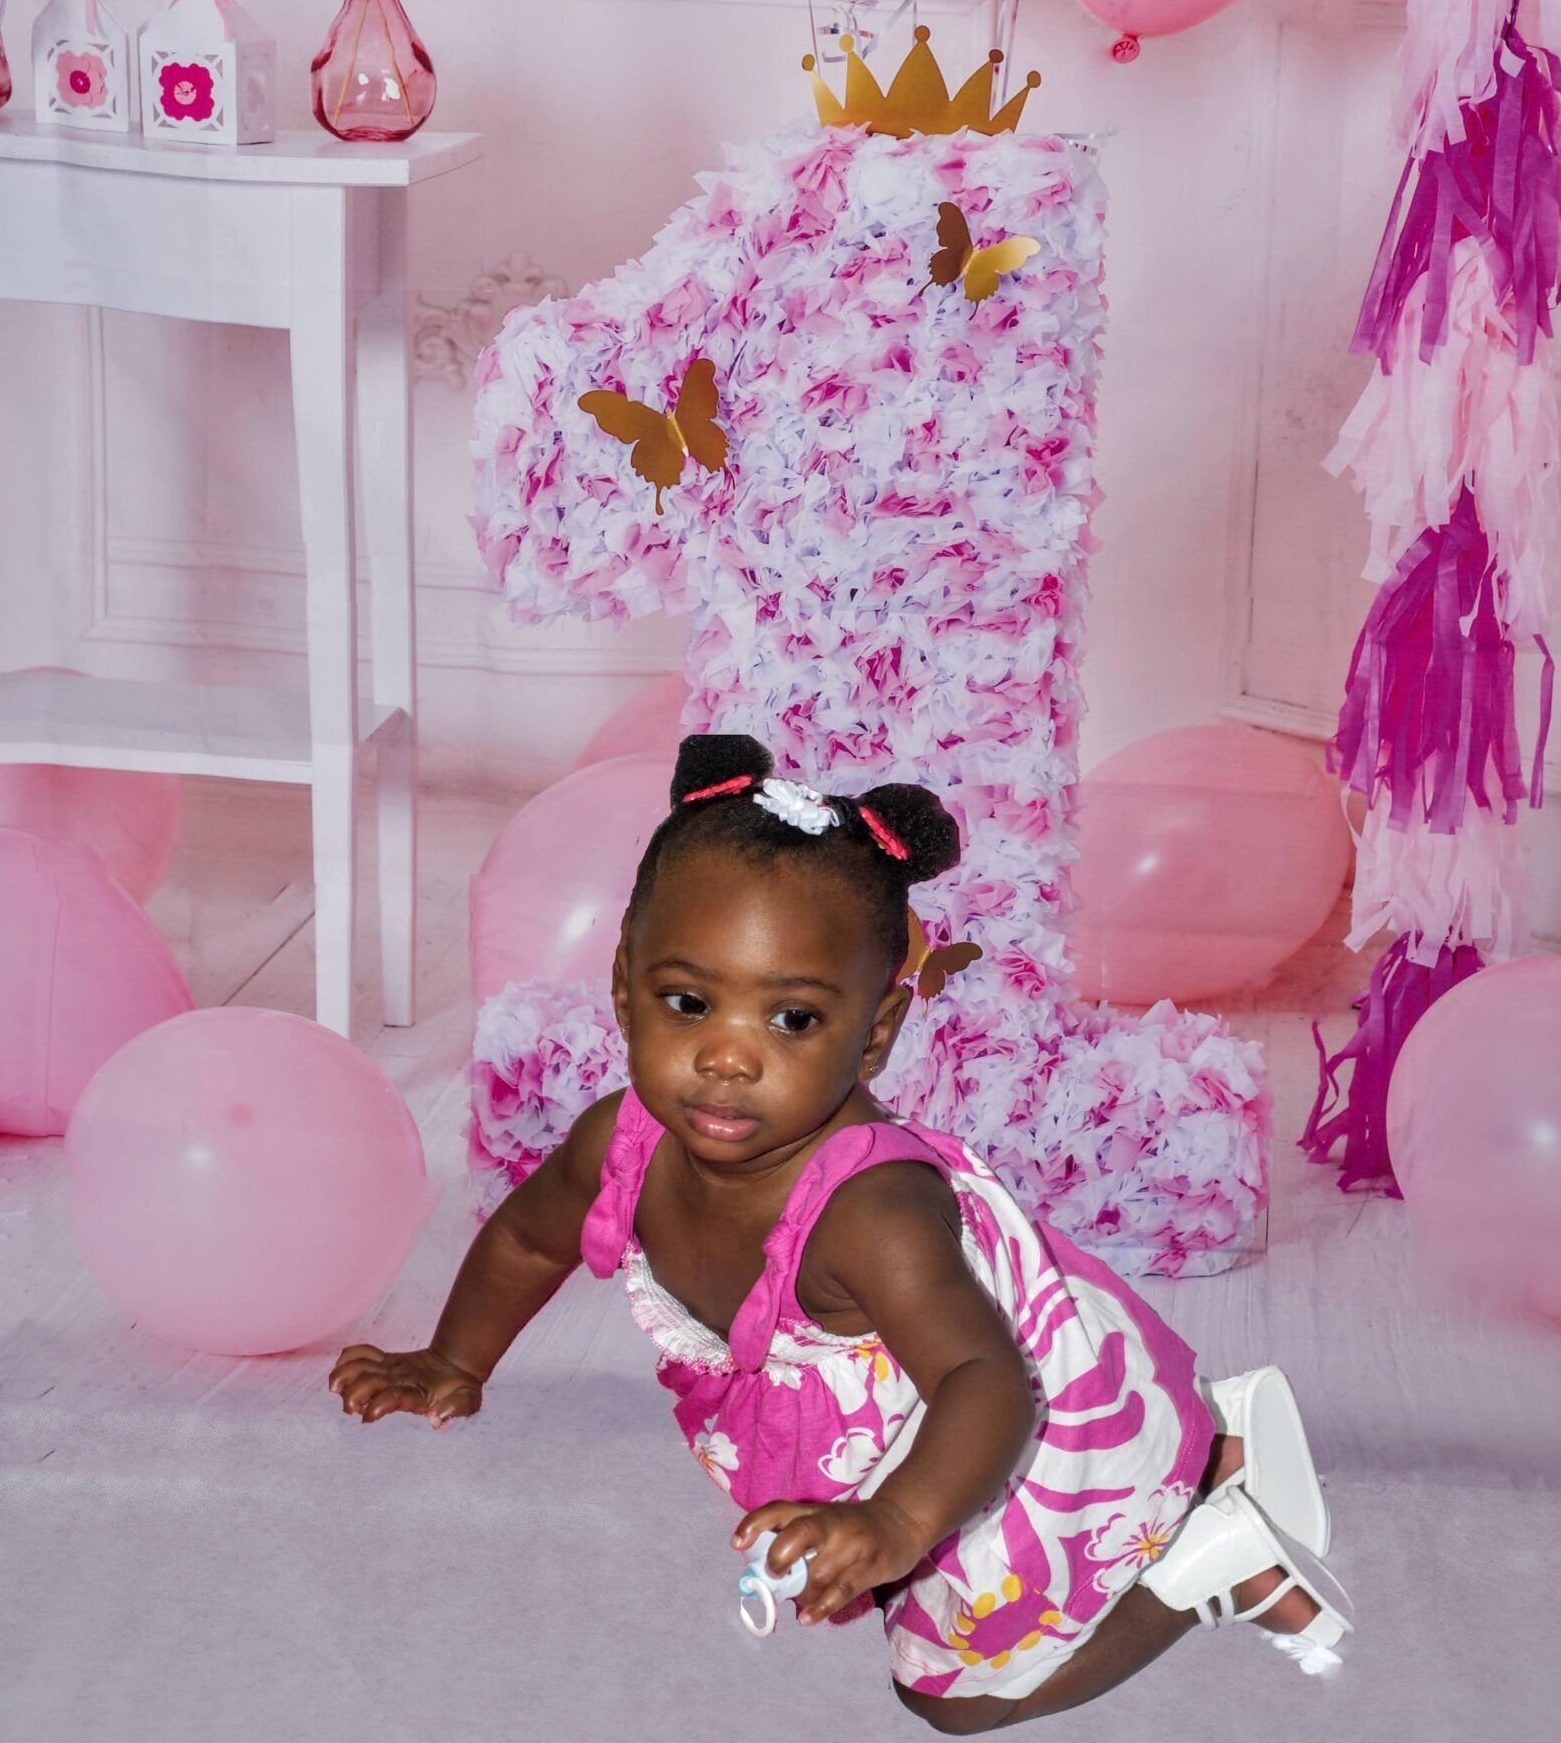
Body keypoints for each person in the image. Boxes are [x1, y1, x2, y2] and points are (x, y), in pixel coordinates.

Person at [331, 734, 1352, 1729]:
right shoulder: (621, 1139)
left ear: (875, 1033)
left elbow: (986, 1382)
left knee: (952, 1694)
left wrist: (897, 1522)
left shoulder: (873, 1212)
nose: (728, 1056)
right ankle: (1215, 1456)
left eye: (794, 1020)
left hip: (1012, 1410)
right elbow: (527, 1239)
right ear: (623, 985)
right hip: (911, 1397)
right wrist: (453, 1357)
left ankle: (1208, 1564)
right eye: (688, 1002)